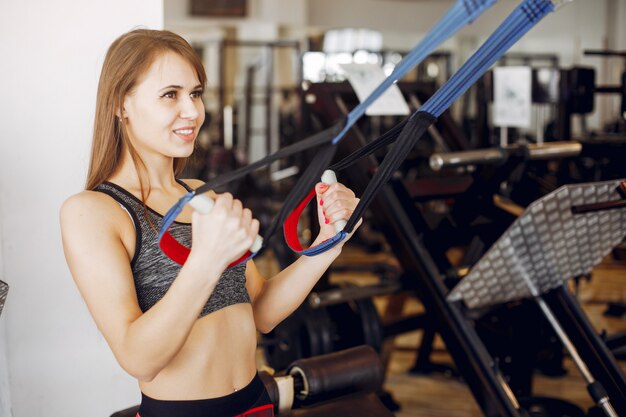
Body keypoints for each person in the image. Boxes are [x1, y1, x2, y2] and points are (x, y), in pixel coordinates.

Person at [60, 29, 361, 417]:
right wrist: (204, 261)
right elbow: (138, 358)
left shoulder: (204, 194)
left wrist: (329, 243)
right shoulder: (94, 211)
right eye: (171, 94)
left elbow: (262, 312)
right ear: (122, 104)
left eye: (196, 93)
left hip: (256, 403)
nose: (193, 111)